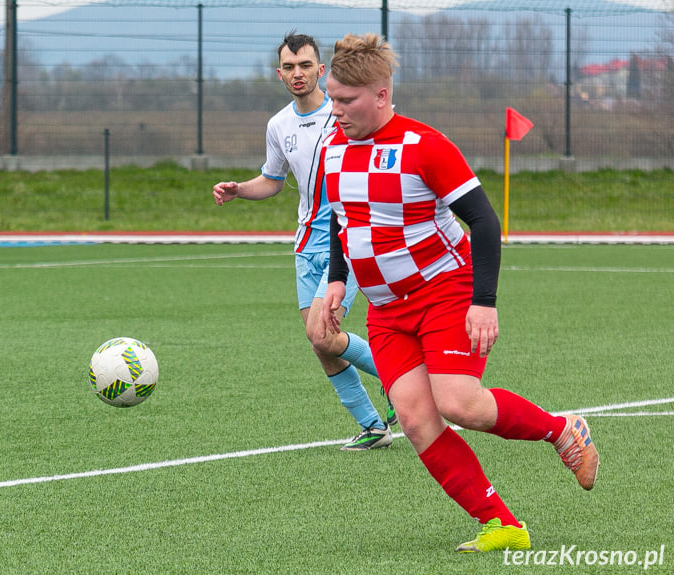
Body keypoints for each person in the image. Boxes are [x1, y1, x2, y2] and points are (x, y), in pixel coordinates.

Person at [319, 33, 599, 551]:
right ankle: (504, 525)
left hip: (445, 292)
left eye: (345, 100)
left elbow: (485, 223)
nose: (334, 110)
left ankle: (563, 431)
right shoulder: (332, 148)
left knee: (459, 404)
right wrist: (336, 280)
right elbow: (343, 222)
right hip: (385, 310)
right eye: (331, 97)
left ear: (381, 94)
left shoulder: (425, 146)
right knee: (415, 419)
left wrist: (484, 302)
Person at [212, 32, 396, 450]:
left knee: (322, 333)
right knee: (322, 345)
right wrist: (240, 189)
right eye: (290, 67)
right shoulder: (278, 125)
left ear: (321, 70)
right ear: (280, 73)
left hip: (347, 242)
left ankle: (400, 379)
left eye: (306, 65)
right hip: (305, 246)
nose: (298, 73)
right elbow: (273, 181)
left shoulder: (346, 116)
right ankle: (373, 426)